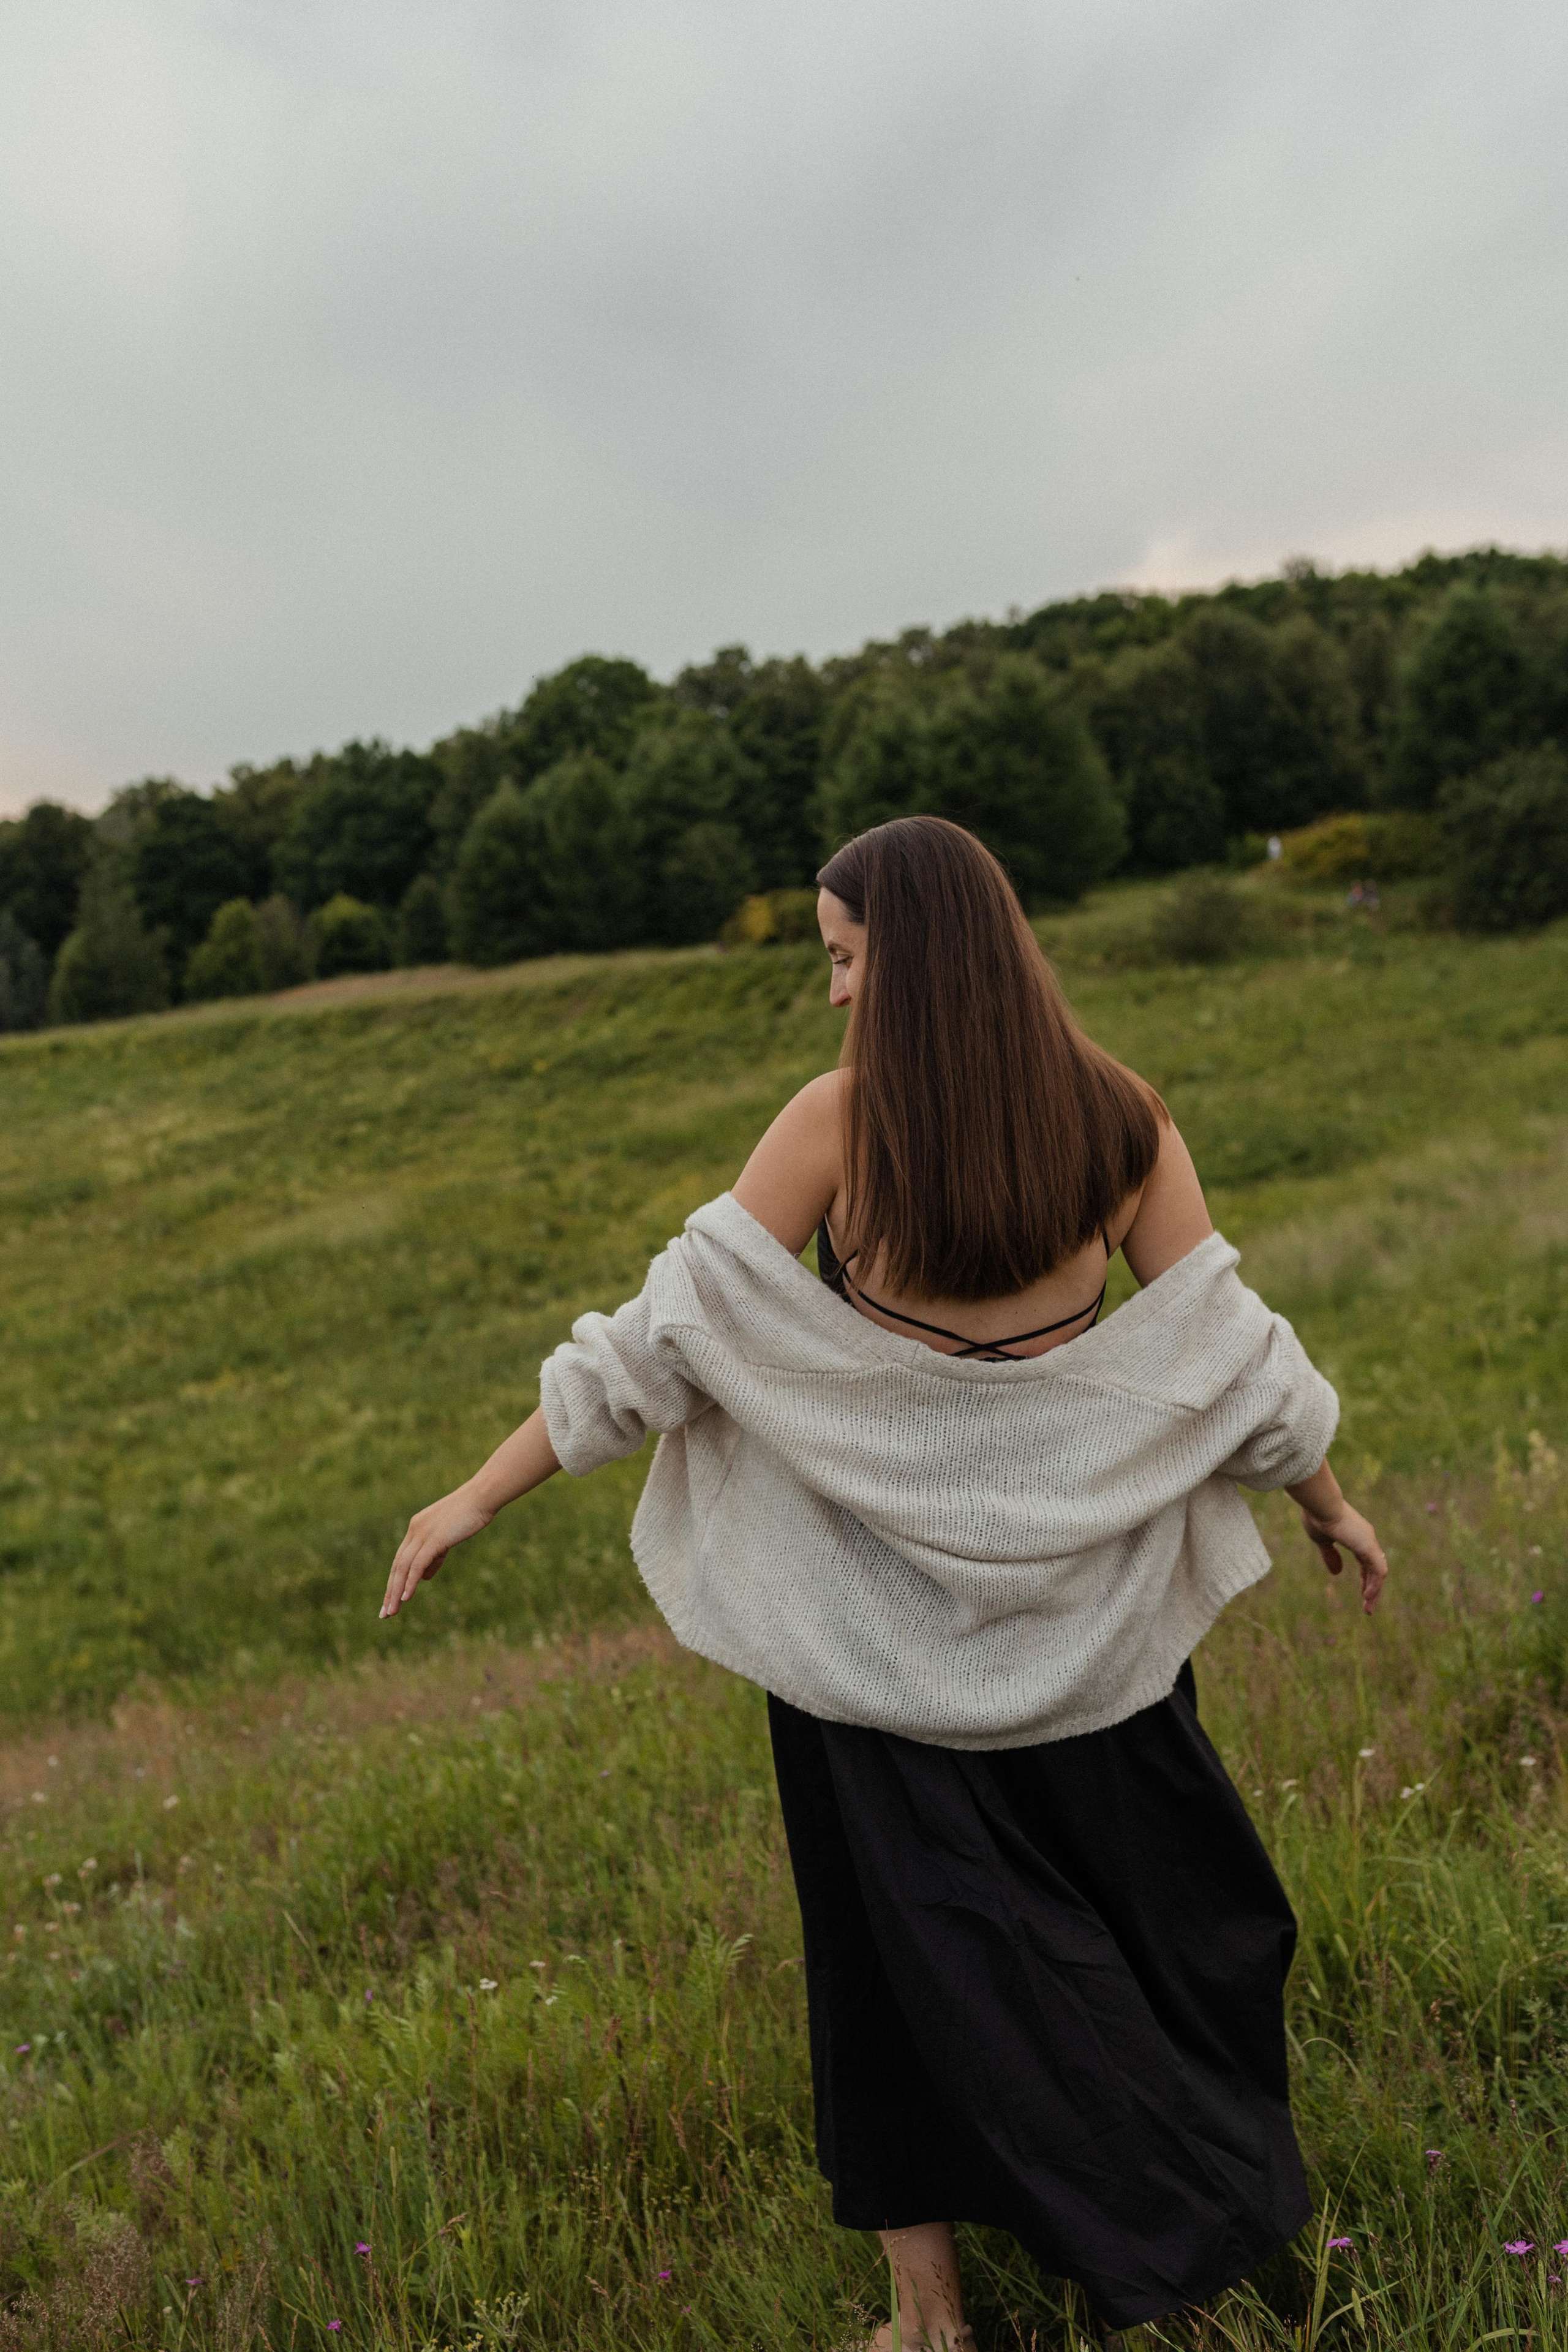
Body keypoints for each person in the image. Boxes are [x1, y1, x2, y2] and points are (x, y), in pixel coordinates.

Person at [382, 815, 1387, 2348]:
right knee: (1160, 1934)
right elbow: (1236, 1366)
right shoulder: (1120, 1121)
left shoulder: (836, 1127)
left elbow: (650, 1348)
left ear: (908, 957)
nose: (835, 996)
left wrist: (473, 1494)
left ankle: (931, 2320)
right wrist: (1326, 1500)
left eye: (845, 960)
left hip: (861, 1658)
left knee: (887, 1970)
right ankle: (1166, 2255)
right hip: (1095, 1646)